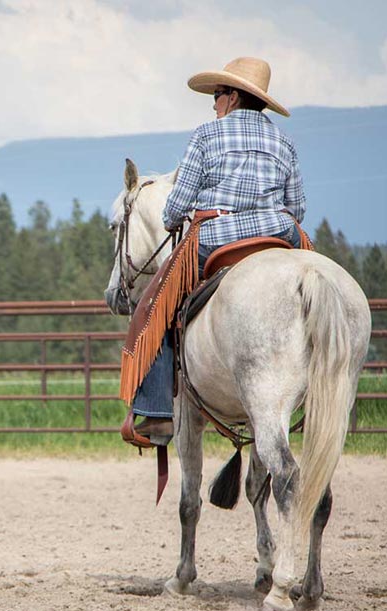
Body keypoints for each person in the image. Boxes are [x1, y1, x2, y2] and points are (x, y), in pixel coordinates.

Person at [131, 56, 305, 442]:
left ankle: (158, 412)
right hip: (278, 234)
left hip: (218, 238)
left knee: (155, 306)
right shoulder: (284, 142)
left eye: (217, 94)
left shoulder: (207, 135)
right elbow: (298, 208)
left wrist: (175, 219)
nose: (213, 103)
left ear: (234, 98)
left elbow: (176, 207)